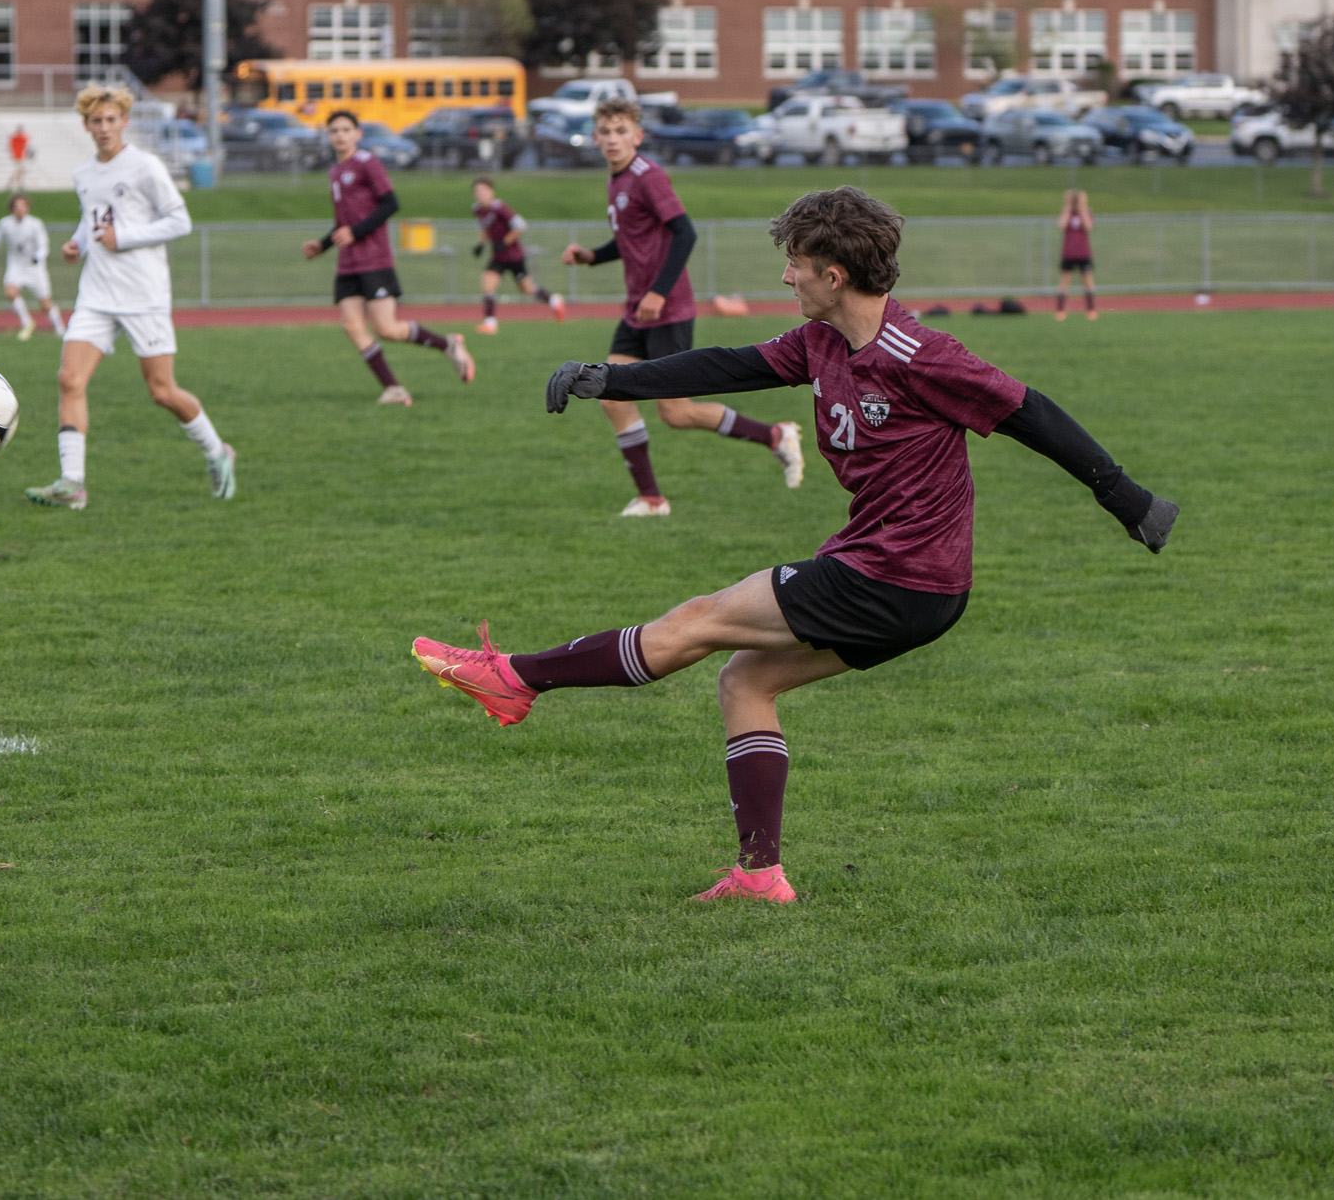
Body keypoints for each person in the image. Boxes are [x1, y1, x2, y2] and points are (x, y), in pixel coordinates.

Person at [414, 187, 1178, 903]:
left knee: (698, 620)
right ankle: (759, 875)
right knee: (746, 682)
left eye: (797, 266)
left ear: (835, 274)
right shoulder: (821, 342)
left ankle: (516, 677)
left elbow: (1030, 411)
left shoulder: (921, 355)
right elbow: (730, 365)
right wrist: (608, 380)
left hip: (897, 576)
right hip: (907, 582)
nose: (786, 277)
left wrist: (1127, 499)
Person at [559, 97, 805, 516]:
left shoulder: (647, 176)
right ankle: (652, 499)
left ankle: (775, 436)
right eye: (606, 131)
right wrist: (592, 257)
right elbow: (631, 240)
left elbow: (685, 233)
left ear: (637, 136)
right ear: (596, 137)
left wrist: (659, 291)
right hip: (639, 310)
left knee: (676, 412)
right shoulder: (615, 181)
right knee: (611, 397)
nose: (613, 139)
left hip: (666, 309)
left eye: (622, 131)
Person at [24, 83, 235, 511]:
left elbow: (180, 221)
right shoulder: (84, 174)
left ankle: (218, 453)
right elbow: (93, 221)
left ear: (125, 121)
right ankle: (73, 484)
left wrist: (127, 238)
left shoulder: (145, 167)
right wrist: (77, 244)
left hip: (144, 295)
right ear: (85, 125)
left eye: (111, 119)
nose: (104, 128)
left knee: (162, 391)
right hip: (96, 295)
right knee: (69, 379)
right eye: (96, 121)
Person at [302, 109, 474, 406]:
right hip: (347, 263)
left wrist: (355, 232)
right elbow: (345, 222)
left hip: (374, 260)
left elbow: (390, 204)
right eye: (334, 131)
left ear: (358, 134)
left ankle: (448, 343)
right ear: (328, 137)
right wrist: (323, 244)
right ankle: (394, 389)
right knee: (352, 326)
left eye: (345, 129)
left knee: (387, 329)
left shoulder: (368, 163)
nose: (340, 135)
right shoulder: (334, 171)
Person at [471, 177, 563, 333]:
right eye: (476, 191)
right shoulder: (477, 209)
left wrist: (505, 241)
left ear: (491, 191)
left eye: (483, 190)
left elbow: (521, 226)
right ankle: (490, 323)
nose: (479, 194)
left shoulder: (500, 208)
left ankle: (554, 300)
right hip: (498, 257)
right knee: (487, 286)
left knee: (527, 290)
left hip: (514, 256)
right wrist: (480, 244)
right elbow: (485, 227)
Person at [0, 193, 63, 341]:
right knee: (10, 292)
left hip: (35, 269)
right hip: (16, 267)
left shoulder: (35, 224)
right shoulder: (5, 224)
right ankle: (27, 322)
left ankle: (60, 329)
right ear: (12, 208)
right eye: (17, 207)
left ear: (27, 207)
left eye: (23, 206)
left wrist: (38, 257)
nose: (20, 210)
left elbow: (44, 245)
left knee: (45, 304)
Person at [1054, 189, 1096, 321]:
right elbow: (1061, 224)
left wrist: (1082, 207)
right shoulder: (1068, 212)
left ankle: (1091, 310)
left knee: (1088, 281)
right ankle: (1060, 310)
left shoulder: (1086, 212)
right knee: (1064, 281)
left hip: (1083, 253)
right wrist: (1067, 204)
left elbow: (1089, 226)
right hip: (1069, 253)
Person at [8, 126, 32, 190]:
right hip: (16, 156)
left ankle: (18, 184)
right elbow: (12, 145)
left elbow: (26, 146)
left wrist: (27, 154)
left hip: (21, 156)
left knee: (21, 171)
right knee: (20, 170)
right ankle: (12, 183)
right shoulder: (14, 138)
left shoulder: (21, 138)